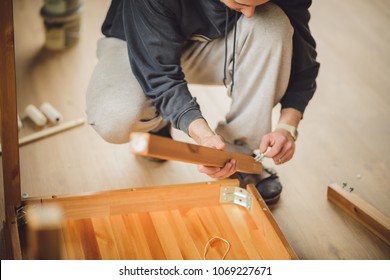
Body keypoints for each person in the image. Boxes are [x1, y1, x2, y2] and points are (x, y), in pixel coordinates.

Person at [86, 0, 320, 204]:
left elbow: (303, 60)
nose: (249, 13)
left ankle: (239, 152)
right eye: (242, 3)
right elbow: (158, 75)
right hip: (136, 42)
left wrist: (288, 126)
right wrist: (202, 135)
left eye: (257, 3)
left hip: (209, 45)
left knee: (273, 24)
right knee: (114, 118)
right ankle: (156, 119)